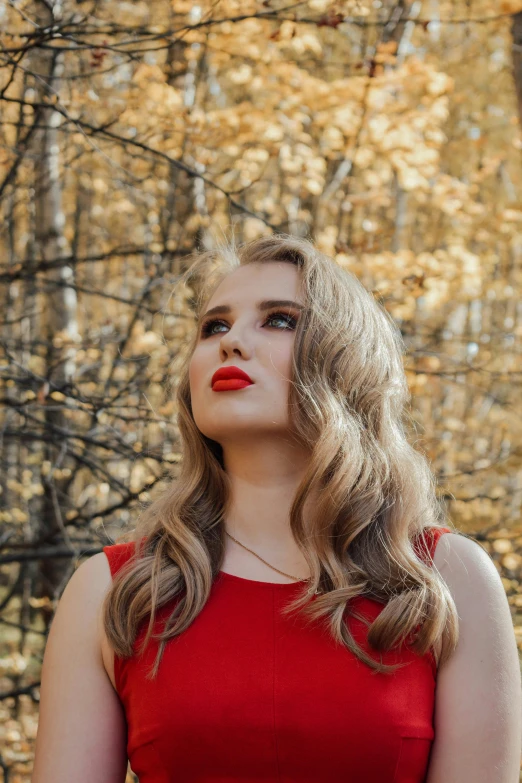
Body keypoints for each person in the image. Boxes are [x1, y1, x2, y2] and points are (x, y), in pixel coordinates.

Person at [32, 233, 521, 783]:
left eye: (279, 320)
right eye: (213, 326)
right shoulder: (113, 590)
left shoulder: (445, 579)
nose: (231, 341)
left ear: (346, 360)